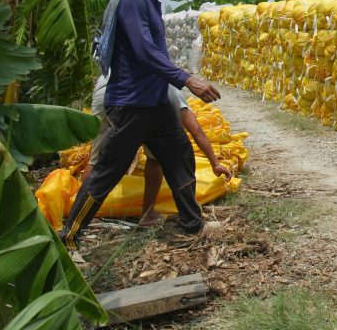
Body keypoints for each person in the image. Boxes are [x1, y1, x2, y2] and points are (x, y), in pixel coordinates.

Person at [59, 0, 221, 251]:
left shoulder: (149, 0)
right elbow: (145, 52)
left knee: (179, 155)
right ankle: (69, 236)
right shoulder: (132, 1)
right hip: (131, 104)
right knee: (108, 171)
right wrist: (187, 79)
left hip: (155, 102)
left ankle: (193, 223)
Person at [84, 77, 233, 227]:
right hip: (137, 99)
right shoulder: (173, 94)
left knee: (96, 159)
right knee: (155, 158)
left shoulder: (142, 66)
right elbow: (196, 130)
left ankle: (78, 209)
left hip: (106, 90)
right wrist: (215, 163)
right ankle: (148, 214)